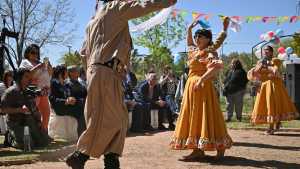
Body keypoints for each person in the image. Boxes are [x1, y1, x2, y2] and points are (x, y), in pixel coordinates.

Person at [65, 0, 177, 169]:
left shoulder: (92, 22)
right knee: (104, 118)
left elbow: (83, 53)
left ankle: (110, 158)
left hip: (104, 73)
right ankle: (81, 156)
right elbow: (142, 5)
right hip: (105, 72)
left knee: (118, 117)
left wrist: (93, 72)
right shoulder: (115, 7)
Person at [170, 17, 233, 160]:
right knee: (193, 117)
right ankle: (197, 150)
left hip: (203, 88)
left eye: (201, 36)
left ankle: (220, 147)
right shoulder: (193, 51)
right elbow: (189, 42)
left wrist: (224, 29)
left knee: (208, 115)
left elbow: (216, 68)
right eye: (196, 36)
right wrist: (189, 29)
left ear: (207, 39)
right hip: (191, 90)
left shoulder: (209, 51)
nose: (197, 38)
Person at [248, 45, 299, 135]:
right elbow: (255, 73)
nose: (265, 52)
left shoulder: (275, 60)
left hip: (274, 86)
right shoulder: (260, 62)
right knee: (268, 106)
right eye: (264, 50)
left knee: (272, 105)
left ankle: (271, 127)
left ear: (271, 52)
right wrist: (259, 67)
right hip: (264, 86)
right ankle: (276, 123)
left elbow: (275, 70)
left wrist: (267, 66)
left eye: (267, 50)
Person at [1, 68, 50, 149]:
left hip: (30, 121)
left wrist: (38, 122)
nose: (29, 79)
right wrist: (19, 110)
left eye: (30, 77)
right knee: (28, 144)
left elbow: (35, 109)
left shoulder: (29, 91)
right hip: (16, 122)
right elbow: (2, 109)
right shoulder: (10, 92)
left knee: (44, 142)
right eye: (26, 77)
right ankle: (10, 137)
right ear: (19, 78)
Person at [19, 44, 52, 131]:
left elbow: (49, 74)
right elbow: (26, 75)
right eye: (33, 52)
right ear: (28, 53)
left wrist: (49, 67)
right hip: (32, 91)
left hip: (43, 91)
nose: (35, 54)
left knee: (46, 112)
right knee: (31, 112)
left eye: (37, 53)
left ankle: (44, 133)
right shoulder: (25, 62)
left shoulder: (40, 63)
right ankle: (30, 134)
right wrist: (38, 67)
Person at [65, 66, 87, 137]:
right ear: (71, 73)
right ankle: (81, 139)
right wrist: (81, 101)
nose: (78, 72)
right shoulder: (68, 84)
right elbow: (69, 97)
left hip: (83, 105)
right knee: (81, 120)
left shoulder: (80, 83)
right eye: (76, 70)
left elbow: (85, 93)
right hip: (76, 108)